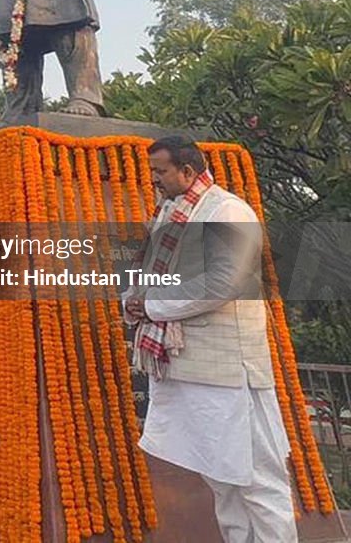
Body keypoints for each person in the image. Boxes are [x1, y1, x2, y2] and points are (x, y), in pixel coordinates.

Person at [124, 135, 297, 542]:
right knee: (221, 477)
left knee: (256, 478)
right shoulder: (171, 213)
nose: (153, 179)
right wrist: (132, 299)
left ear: (187, 171)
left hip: (231, 372)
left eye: (160, 171)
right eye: (151, 171)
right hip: (190, 368)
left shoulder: (228, 210)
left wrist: (151, 306)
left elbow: (224, 282)